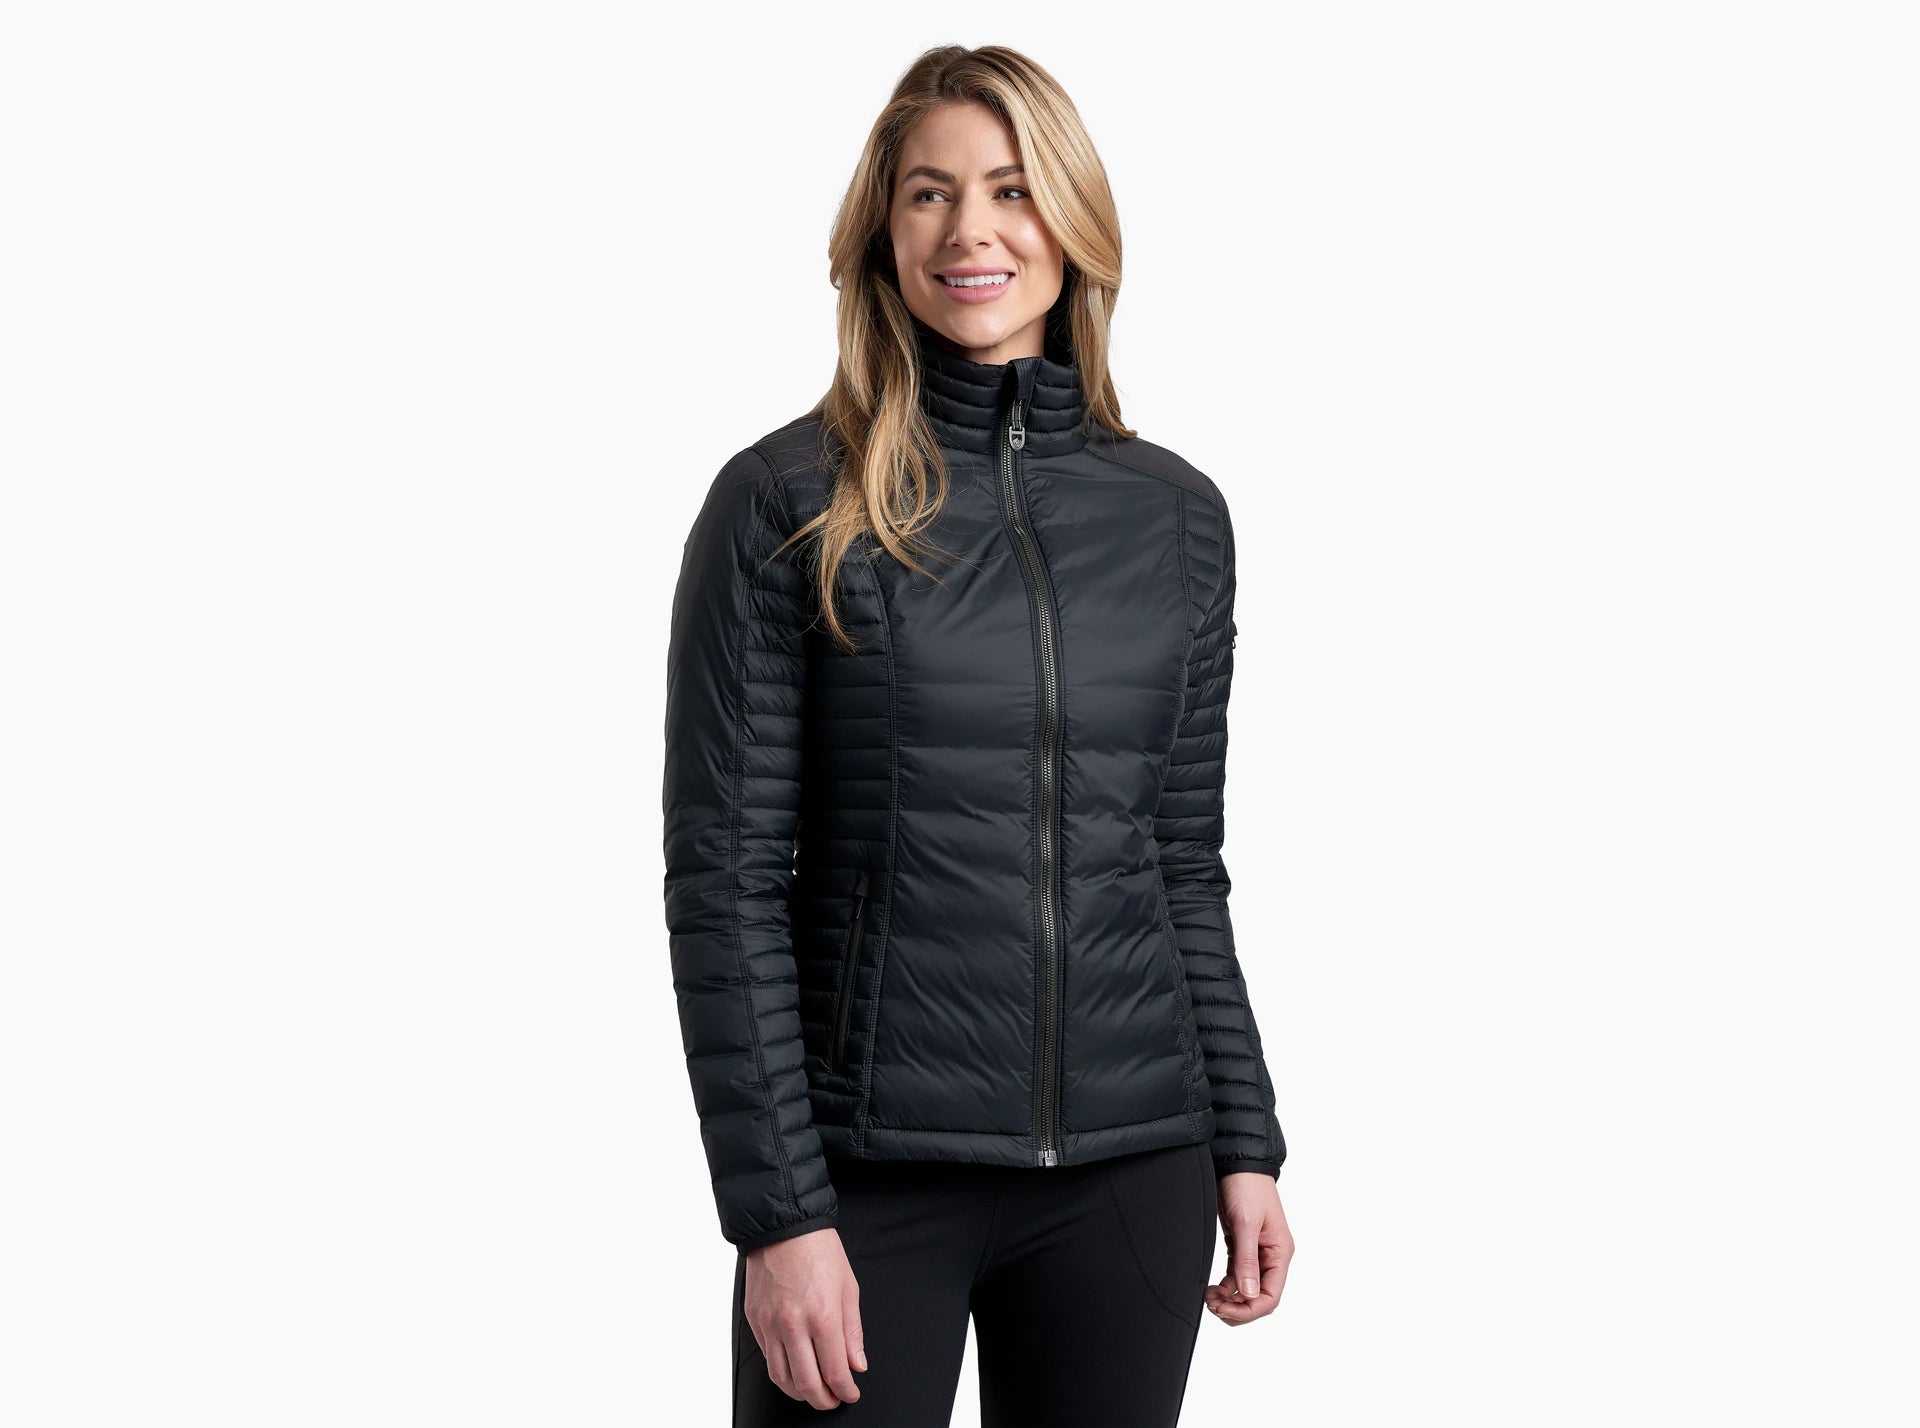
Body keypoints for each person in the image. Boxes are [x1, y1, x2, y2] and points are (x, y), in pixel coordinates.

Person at [663, 43, 1295, 1426]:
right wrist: (779, 1217)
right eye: (929, 193)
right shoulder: (787, 502)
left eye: (1011, 190)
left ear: (1073, 222)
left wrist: (1245, 1141)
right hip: (868, 1182)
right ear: (881, 234)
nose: (972, 232)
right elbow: (725, 887)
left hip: (1134, 1169)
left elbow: (1181, 866)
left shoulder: (1177, 519)